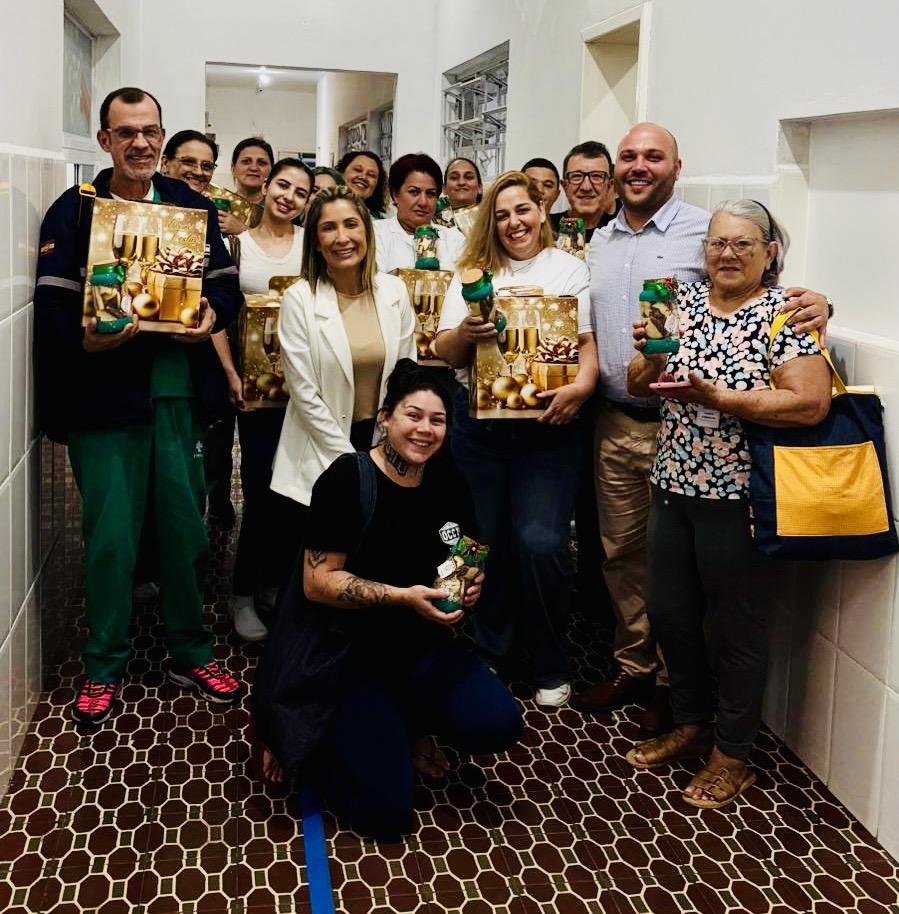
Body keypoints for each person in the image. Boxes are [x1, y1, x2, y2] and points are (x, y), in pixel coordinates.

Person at [572, 123, 832, 735]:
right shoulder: (600, 241)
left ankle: (684, 702)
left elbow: (783, 320)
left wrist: (823, 306)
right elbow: (628, 352)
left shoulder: (705, 232)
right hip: (631, 433)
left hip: (721, 466)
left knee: (714, 603)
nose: (726, 253)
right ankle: (642, 674)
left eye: (653, 156)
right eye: (629, 156)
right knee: (631, 566)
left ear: (676, 166)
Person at [33, 86, 244, 726]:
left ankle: (191, 651)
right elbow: (50, 307)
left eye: (150, 131)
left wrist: (209, 317)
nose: (141, 143)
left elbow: (225, 289)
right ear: (105, 141)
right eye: (126, 132)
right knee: (110, 540)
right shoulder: (75, 211)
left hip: (177, 391)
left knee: (186, 531)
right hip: (103, 400)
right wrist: (85, 340)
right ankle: (103, 664)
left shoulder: (189, 206)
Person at [252, 361, 523, 839]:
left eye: (437, 420)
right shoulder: (347, 479)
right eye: (412, 415)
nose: (424, 429)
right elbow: (318, 583)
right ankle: (309, 742)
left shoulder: (450, 481)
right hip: (347, 662)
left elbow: (465, 554)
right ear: (384, 418)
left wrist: (471, 585)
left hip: (420, 650)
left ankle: (404, 724)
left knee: (498, 723)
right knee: (385, 813)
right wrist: (403, 597)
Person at [624, 200, 831, 808]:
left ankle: (733, 754)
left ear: (769, 252)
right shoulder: (680, 302)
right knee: (669, 612)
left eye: (743, 243)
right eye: (717, 243)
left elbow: (810, 403)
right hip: (672, 484)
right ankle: (690, 722)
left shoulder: (785, 313)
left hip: (739, 497)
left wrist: (722, 398)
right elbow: (639, 383)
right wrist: (653, 357)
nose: (727, 254)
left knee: (735, 627)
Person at [434, 171, 599, 707]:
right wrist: (466, 333)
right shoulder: (471, 273)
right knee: (483, 542)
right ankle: (491, 649)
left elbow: (585, 344)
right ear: (490, 221)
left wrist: (583, 386)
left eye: (522, 210)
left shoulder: (568, 269)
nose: (513, 223)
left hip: (548, 430)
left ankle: (549, 658)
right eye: (502, 214)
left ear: (542, 210)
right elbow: (444, 350)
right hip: (479, 429)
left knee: (541, 542)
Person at [269, 185, 417, 566]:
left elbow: (406, 378)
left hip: (381, 441)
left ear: (367, 231)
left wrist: (383, 451)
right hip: (320, 447)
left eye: (351, 224)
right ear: (316, 243)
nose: (342, 237)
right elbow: (304, 394)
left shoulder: (395, 292)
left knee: (371, 560)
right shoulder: (300, 299)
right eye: (328, 228)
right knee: (318, 568)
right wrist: (353, 465)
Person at [210, 158, 313, 641]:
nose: (288, 196)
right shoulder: (236, 245)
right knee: (261, 490)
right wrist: (230, 373)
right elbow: (216, 313)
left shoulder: (312, 246)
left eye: (300, 192)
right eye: (282, 185)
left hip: (307, 390)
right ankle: (243, 592)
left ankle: (274, 582)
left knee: (298, 494)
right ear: (267, 186)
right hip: (256, 393)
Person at [373, 153, 466, 274]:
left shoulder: (455, 240)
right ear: (395, 195)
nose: (423, 202)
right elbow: (373, 281)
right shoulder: (375, 233)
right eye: (414, 192)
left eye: (431, 194)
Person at [550, 140, 619, 241]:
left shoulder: (620, 231)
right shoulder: (546, 229)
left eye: (596, 176)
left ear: (609, 186)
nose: (586, 187)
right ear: (565, 186)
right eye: (577, 176)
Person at [217, 137, 274, 236]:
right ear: (233, 169)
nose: (254, 168)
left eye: (262, 163)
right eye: (246, 161)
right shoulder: (219, 203)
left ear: (271, 171)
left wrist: (242, 229)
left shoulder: (278, 208)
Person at [160, 129, 218, 195]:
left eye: (206, 166)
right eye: (188, 163)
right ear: (165, 163)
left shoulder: (211, 201)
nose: (199, 172)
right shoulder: (152, 198)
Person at [337, 150, 389, 219]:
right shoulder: (323, 210)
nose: (363, 177)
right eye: (357, 170)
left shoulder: (384, 222)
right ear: (341, 173)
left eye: (371, 175)